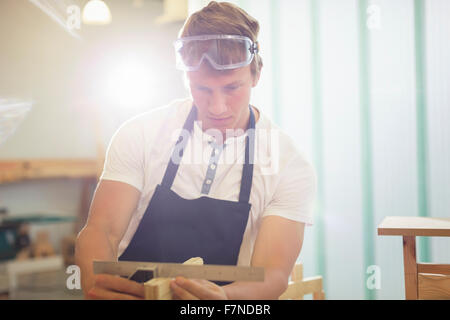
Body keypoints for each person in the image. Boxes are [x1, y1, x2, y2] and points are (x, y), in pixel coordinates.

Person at [75, 1, 316, 300]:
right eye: (202, 89)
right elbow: (101, 230)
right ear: (186, 79)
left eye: (232, 88)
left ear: (256, 74)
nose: (217, 107)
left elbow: (273, 275)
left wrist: (224, 301)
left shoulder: (289, 165)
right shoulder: (139, 134)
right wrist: (95, 277)